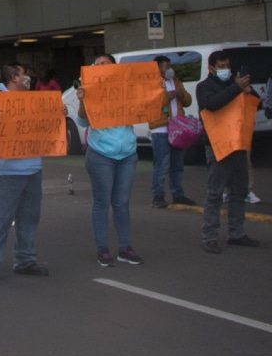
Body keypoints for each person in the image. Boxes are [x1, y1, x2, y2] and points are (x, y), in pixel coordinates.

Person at [0, 63, 59, 284]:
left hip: (33, 167)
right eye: (24, 74)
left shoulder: (33, 100)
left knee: (29, 218)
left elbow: (47, 128)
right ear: (14, 77)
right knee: (2, 219)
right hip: (9, 169)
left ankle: (25, 260)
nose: (28, 78)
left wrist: (58, 115)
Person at [77, 55, 144, 266]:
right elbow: (82, 120)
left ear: (114, 68)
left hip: (127, 155)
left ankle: (125, 247)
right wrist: (82, 100)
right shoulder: (90, 89)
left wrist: (155, 91)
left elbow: (143, 109)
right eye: (96, 65)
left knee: (122, 202)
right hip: (101, 155)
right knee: (102, 202)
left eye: (104, 64)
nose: (99, 68)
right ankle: (102, 249)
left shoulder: (127, 89)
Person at [197, 51, 262, 254]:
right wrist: (236, 87)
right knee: (215, 193)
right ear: (211, 68)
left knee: (239, 190)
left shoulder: (233, 84)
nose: (226, 69)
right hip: (218, 145)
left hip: (238, 143)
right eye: (222, 66)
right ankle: (209, 236)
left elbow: (255, 102)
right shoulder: (204, 87)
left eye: (228, 65)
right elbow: (212, 103)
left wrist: (246, 90)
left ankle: (236, 232)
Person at [147, 55, 196, 208]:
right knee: (161, 164)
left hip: (177, 128)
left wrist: (181, 94)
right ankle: (158, 195)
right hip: (161, 128)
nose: (169, 69)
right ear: (158, 68)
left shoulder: (176, 82)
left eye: (170, 66)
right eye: (166, 66)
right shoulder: (152, 84)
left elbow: (188, 101)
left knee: (177, 164)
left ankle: (178, 194)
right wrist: (166, 97)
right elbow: (151, 104)